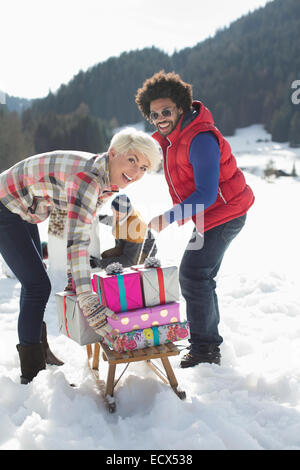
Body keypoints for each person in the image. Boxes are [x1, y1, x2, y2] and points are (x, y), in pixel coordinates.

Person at [0, 127, 161, 383]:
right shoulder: (90, 179)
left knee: (34, 282)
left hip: (22, 204)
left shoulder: (106, 173)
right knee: (37, 285)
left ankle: (38, 349)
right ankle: (31, 372)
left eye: (144, 167)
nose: (136, 172)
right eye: (132, 160)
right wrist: (86, 296)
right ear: (113, 153)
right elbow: (78, 240)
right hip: (5, 205)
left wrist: (75, 276)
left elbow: (70, 217)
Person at [135, 71, 254, 368]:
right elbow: (141, 152)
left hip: (226, 213)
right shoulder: (169, 139)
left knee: (194, 275)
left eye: (166, 111)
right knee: (199, 276)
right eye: (154, 115)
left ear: (181, 108)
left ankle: (205, 350)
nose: (160, 118)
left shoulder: (200, 139)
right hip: (207, 217)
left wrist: (169, 217)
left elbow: (206, 194)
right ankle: (206, 343)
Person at [90, 194, 157, 269]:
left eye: (118, 213)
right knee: (106, 255)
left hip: (144, 251)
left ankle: (119, 278)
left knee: (114, 264)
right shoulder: (122, 215)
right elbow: (111, 220)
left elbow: (129, 260)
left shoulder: (137, 227)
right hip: (128, 244)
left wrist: (100, 263)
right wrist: (96, 217)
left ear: (127, 212)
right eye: (114, 212)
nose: (115, 215)